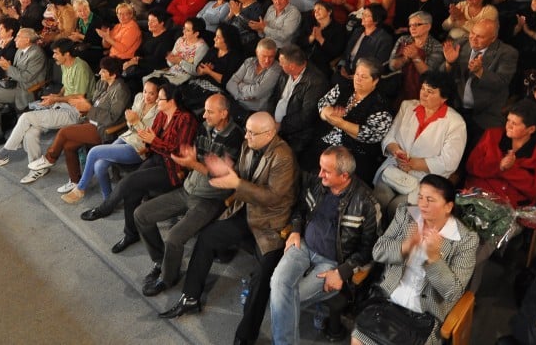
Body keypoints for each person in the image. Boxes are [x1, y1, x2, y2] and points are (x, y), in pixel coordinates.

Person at [158, 112, 298, 345]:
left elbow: (272, 198)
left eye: (253, 133)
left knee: (263, 278)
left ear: (270, 133)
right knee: (207, 238)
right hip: (245, 212)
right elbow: (239, 177)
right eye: (247, 130)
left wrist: (236, 183)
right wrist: (222, 171)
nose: (246, 135)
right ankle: (190, 297)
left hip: (269, 223)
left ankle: (245, 337)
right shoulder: (247, 145)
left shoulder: (283, 156)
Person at [133, 93, 243, 297]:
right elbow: (200, 159)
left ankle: (168, 278)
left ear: (224, 113)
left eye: (210, 111)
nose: (204, 116)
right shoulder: (205, 128)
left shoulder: (236, 137)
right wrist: (192, 161)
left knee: (174, 237)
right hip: (189, 188)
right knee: (141, 215)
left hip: (211, 198)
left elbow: (225, 176)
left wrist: (194, 164)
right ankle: (160, 260)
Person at [269, 146, 380, 345]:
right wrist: (295, 229)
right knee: (278, 284)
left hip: (332, 263)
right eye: (320, 168)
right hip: (303, 246)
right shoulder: (317, 182)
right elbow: (300, 209)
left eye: (326, 171)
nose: (319, 174)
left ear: (344, 175)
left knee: (283, 298)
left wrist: (343, 271)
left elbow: (369, 248)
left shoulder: (366, 203)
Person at [350, 174, 478, 345]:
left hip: (424, 316)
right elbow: (378, 252)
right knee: (358, 339)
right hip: (388, 301)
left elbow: (453, 292)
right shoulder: (406, 214)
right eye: (420, 197)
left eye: (430, 200)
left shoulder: (465, 240)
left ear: (448, 207)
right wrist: (407, 245)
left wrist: (434, 259)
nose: (422, 204)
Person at [79, 83, 199, 254]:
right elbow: (149, 138)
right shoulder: (162, 116)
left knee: (130, 181)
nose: (157, 100)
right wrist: (148, 142)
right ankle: (131, 234)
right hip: (157, 158)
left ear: (171, 101)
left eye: (160, 98)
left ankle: (105, 208)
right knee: (132, 192)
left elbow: (179, 152)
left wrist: (154, 141)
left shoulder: (186, 119)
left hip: (173, 168)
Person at [0, 55, 125, 183]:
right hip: (80, 113)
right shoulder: (101, 82)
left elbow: (105, 113)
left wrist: (84, 108)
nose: (99, 73)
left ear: (113, 74)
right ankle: (40, 169)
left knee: (28, 118)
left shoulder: (119, 90)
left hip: (91, 122)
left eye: (103, 71)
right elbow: (88, 100)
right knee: (31, 131)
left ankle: (5, 155)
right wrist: (58, 98)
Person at [374, 71, 466, 215]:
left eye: (430, 92)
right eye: (422, 88)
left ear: (444, 98)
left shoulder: (455, 122)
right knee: (379, 201)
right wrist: (397, 152)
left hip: (425, 179)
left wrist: (412, 164)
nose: (423, 94)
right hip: (394, 167)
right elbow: (389, 137)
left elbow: (449, 162)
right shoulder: (407, 106)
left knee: (397, 210)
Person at [56, 78, 160, 199]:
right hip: (126, 137)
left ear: (158, 94)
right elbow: (129, 123)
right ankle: (108, 199)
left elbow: (147, 134)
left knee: (94, 152)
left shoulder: (159, 110)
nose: (146, 96)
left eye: (151, 93)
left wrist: (136, 121)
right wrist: (132, 122)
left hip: (139, 147)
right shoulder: (139, 97)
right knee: (99, 166)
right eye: (145, 91)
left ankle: (80, 188)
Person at [312, 58, 394, 185]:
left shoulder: (381, 104)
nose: (358, 79)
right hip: (325, 142)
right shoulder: (345, 86)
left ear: (375, 81)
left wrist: (340, 123)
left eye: (364, 77)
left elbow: (371, 134)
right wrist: (328, 113)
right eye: (356, 74)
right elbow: (323, 103)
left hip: (353, 155)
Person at [442, 18, 518, 153]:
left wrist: (480, 72)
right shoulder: (461, 43)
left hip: (485, 113)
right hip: (457, 107)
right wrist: (449, 63)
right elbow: (440, 77)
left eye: (480, 36)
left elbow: (501, 83)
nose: (473, 38)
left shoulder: (507, 53)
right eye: (472, 33)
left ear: (493, 38)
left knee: (473, 155)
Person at [465, 99, 536, 207]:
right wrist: (499, 166)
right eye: (508, 120)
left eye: (514, 123)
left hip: (512, 206)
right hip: (478, 196)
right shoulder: (492, 135)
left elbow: (535, 190)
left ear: (531, 129)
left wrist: (510, 169)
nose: (508, 126)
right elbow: (471, 166)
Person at [271, 44, 329, 157]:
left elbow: (306, 116)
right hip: (276, 122)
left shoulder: (316, 82)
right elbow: (276, 95)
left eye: (281, 63)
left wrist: (280, 125)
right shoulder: (285, 72)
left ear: (292, 66)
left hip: (297, 134)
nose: (279, 64)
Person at [226, 38, 283, 115]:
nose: (267, 60)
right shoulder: (249, 61)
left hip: (254, 111)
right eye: (264, 56)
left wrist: (240, 85)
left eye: (271, 57)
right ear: (257, 52)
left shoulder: (276, 68)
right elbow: (229, 84)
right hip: (235, 103)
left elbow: (257, 92)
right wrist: (241, 96)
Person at [337, 3, 393, 79]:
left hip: (364, 77)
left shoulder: (384, 39)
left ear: (376, 20)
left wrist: (359, 76)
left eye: (367, 15)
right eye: (363, 14)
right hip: (346, 70)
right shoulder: (358, 31)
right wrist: (342, 66)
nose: (362, 17)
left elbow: (379, 65)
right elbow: (347, 52)